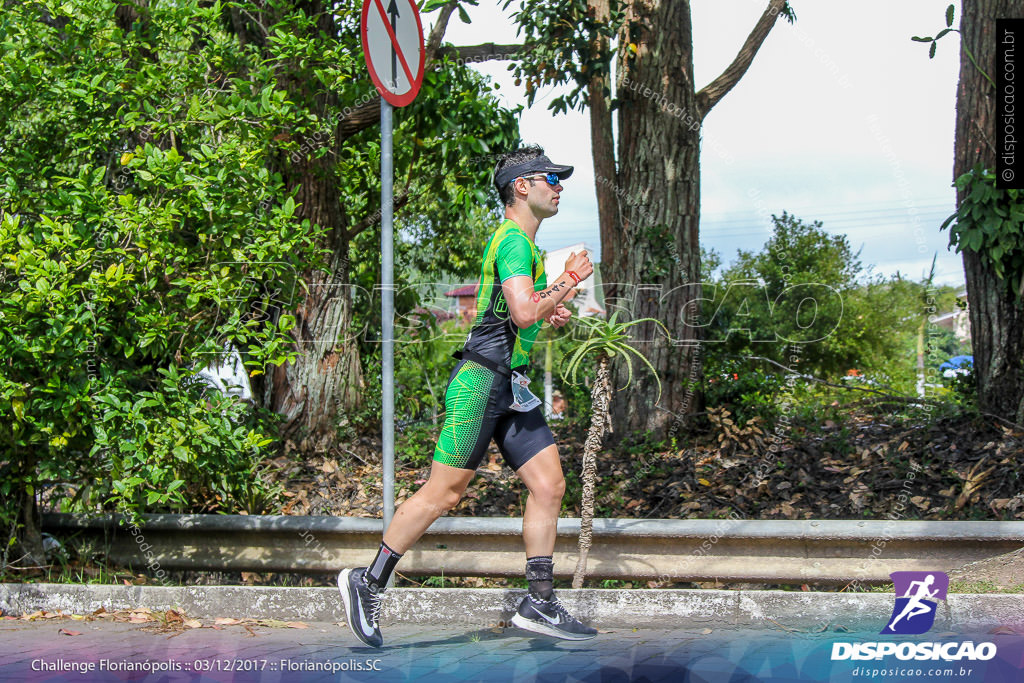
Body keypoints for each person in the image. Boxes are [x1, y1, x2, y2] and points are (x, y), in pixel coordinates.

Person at [338, 145, 596, 648]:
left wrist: (555, 306)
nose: (559, 187)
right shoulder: (515, 241)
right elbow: (522, 313)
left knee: (549, 485)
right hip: (480, 384)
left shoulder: (525, 247)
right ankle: (367, 584)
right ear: (522, 186)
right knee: (444, 494)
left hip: (513, 386)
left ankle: (539, 600)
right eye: (551, 178)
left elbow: (524, 316)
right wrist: (569, 281)